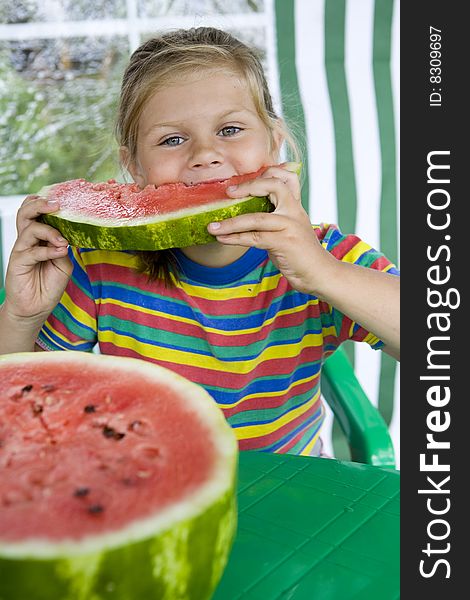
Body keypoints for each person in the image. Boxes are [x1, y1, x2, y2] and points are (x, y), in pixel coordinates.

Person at [0, 27, 399, 456]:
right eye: (172, 139)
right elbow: (21, 404)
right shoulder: (99, 265)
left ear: (274, 144)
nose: (205, 153)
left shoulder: (323, 255)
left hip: (287, 488)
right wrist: (22, 315)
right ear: (133, 166)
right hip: (149, 482)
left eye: (229, 129)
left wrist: (324, 273)